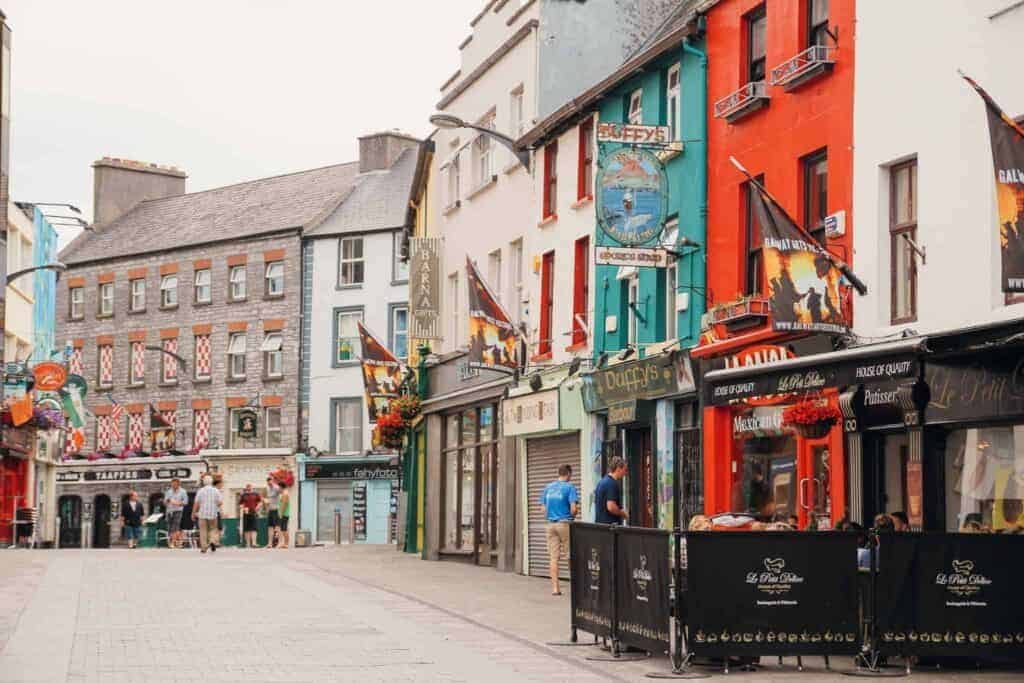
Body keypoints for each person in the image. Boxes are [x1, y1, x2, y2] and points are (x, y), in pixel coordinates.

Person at [540, 464, 579, 596]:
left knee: (553, 557)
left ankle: (555, 589)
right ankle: (574, 587)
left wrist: (552, 516)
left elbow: (543, 510)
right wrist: (571, 517)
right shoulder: (570, 487)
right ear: (568, 474)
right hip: (565, 523)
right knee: (570, 555)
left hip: (550, 525)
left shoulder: (548, 487)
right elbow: (574, 509)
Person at [192, 475, 223, 553]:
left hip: (202, 513)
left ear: (204, 482)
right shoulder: (216, 490)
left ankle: (204, 547)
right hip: (213, 513)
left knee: (203, 530)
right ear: (211, 482)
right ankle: (212, 541)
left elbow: (196, 503)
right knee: (213, 529)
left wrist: (193, 513)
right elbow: (220, 502)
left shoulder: (200, 491)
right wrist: (216, 506)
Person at [594, 456, 627, 525]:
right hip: (610, 528)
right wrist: (622, 513)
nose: (625, 473)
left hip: (600, 526)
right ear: (618, 469)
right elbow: (611, 507)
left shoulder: (602, 482)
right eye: (625, 470)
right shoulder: (612, 484)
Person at [163, 479, 188, 549]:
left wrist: (177, 503)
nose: (173, 485)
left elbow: (185, 502)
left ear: (178, 484)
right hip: (169, 511)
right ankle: (177, 541)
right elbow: (165, 501)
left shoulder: (183, 491)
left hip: (178, 511)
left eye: (175, 484)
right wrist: (167, 501)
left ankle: (172, 542)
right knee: (170, 528)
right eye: (172, 484)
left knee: (175, 526)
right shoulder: (168, 491)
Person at [238, 483, 262, 548]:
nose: (248, 488)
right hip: (246, 513)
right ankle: (248, 544)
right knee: (246, 529)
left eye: (250, 487)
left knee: (254, 528)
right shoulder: (243, 495)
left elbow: (260, 502)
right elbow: (240, 504)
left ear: (252, 488)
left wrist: (257, 507)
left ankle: (254, 543)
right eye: (247, 487)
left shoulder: (256, 494)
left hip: (254, 512)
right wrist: (242, 508)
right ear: (246, 488)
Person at [264, 477, 281, 549]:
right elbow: (267, 498)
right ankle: (269, 543)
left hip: (276, 509)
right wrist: (265, 503)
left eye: (270, 483)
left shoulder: (276, 488)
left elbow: (282, 493)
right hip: (270, 510)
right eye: (268, 483)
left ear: (273, 481)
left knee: (277, 527)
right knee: (270, 527)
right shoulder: (267, 489)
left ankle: (279, 543)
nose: (269, 484)